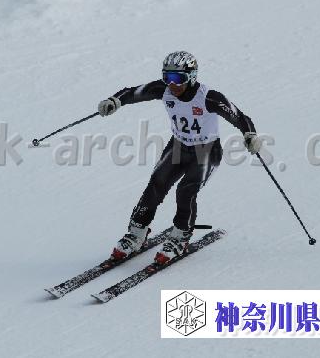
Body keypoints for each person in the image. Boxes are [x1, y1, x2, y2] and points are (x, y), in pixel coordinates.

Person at [98, 51, 262, 265]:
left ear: (191, 76)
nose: (172, 84)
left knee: (186, 191)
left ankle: (180, 237)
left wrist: (250, 135)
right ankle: (136, 234)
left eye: (178, 78)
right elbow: (133, 92)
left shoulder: (209, 97)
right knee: (156, 185)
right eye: (167, 77)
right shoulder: (164, 89)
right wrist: (114, 101)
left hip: (205, 151)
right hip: (178, 146)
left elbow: (240, 117)